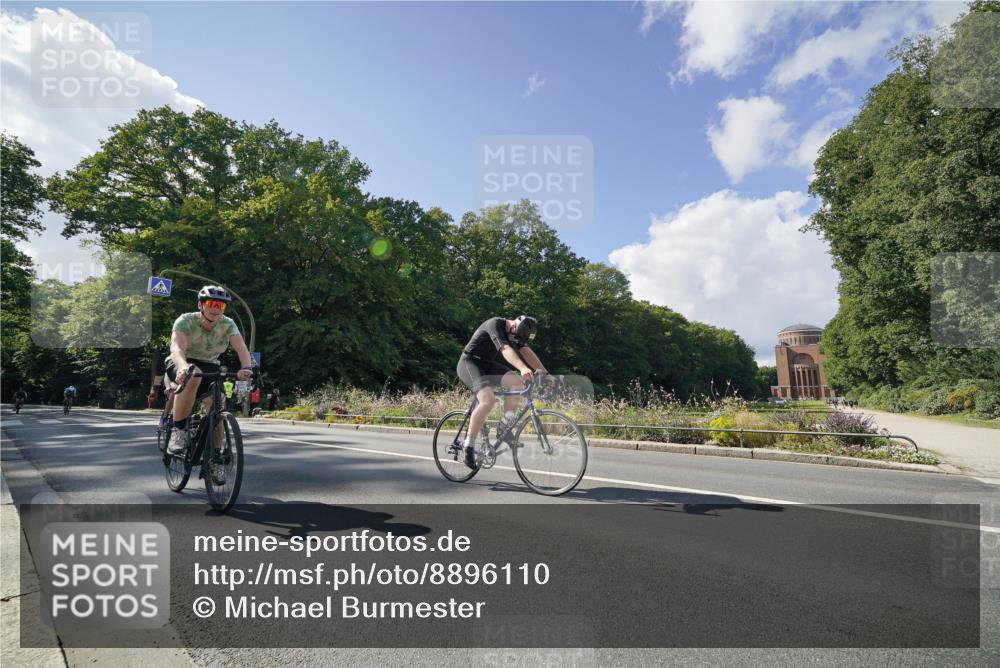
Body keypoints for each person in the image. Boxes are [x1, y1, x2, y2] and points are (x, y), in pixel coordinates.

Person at [165, 285, 253, 484]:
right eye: (212, 304)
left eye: (221, 306)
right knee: (193, 374)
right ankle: (179, 432)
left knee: (219, 403)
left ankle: (214, 459)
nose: (216, 309)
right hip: (182, 361)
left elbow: (241, 348)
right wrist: (182, 366)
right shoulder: (186, 320)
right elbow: (177, 348)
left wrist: (246, 367)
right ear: (201, 305)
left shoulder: (227, 324)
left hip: (210, 365)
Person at [456, 315, 553, 468]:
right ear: (513, 327)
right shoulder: (494, 324)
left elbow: (526, 351)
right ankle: (468, 446)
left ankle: (504, 427)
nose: (515, 342)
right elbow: (505, 349)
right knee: (488, 400)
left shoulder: (516, 332)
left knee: (517, 383)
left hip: (487, 364)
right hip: (470, 362)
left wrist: (545, 373)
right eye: (515, 339)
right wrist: (522, 368)